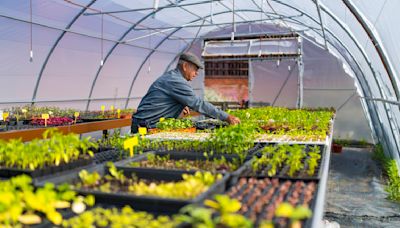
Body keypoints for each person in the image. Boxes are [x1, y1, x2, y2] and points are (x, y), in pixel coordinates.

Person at [131, 52, 240, 133]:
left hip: (146, 123)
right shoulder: (176, 81)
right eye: (195, 69)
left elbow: (164, 99)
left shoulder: (172, 77)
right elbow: (198, 104)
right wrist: (227, 117)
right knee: (139, 158)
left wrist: (178, 104)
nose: (196, 73)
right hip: (145, 127)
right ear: (185, 66)